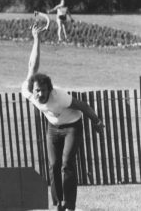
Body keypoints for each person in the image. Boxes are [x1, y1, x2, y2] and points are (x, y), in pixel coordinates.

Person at [21, 25, 104, 211]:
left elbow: (83, 106)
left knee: (66, 163)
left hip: (72, 126)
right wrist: (36, 39)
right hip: (53, 128)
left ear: (49, 90)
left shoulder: (59, 96)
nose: (40, 94)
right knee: (53, 165)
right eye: (37, 91)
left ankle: (70, 205)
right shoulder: (28, 90)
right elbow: (32, 66)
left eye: (43, 91)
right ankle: (58, 204)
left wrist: (97, 122)